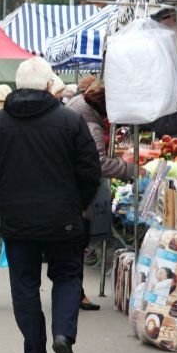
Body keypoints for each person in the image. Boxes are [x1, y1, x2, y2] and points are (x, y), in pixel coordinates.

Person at [0, 57, 101, 353]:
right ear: (48, 85)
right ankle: (63, 334)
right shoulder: (70, 122)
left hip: (17, 221)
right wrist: (79, 204)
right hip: (64, 219)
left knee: (25, 285)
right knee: (67, 276)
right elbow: (90, 171)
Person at [66, 79, 131, 311]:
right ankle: (75, 294)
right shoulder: (90, 123)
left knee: (72, 247)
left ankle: (73, 292)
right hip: (78, 193)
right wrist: (130, 170)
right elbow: (99, 163)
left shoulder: (75, 105)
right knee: (76, 245)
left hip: (69, 190)